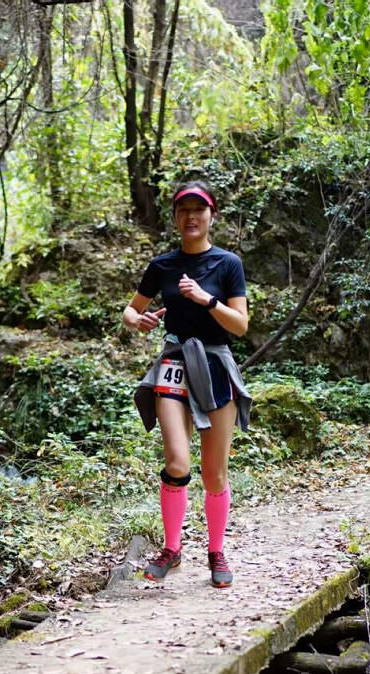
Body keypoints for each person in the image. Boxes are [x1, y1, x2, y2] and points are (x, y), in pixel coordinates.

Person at [123, 181, 252, 588]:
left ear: (211, 215)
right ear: (176, 218)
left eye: (199, 209)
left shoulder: (228, 264)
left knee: (214, 474)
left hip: (215, 364)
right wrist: (137, 320)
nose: (191, 216)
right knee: (177, 463)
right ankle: (172, 549)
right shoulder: (162, 265)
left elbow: (242, 325)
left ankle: (216, 552)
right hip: (174, 363)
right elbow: (131, 309)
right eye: (184, 210)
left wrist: (207, 300)